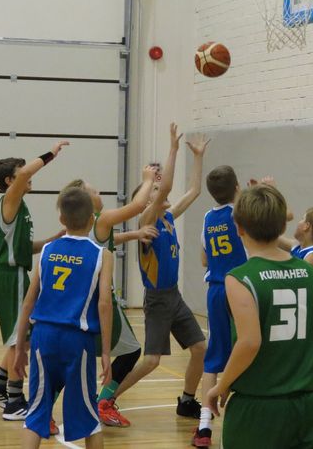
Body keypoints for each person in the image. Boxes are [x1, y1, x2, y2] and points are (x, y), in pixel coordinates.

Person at [207, 184, 313, 449]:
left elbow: (250, 342)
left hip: (257, 410)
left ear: (239, 228)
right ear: (283, 226)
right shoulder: (311, 274)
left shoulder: (240, 278)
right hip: (309, 407)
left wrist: (222, 385)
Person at [111, 123, 210, 419]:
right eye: (154, 189)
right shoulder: (147, 219)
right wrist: (173, 149)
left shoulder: (167, 217)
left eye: (159, 186)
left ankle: (187, 400)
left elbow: (194, 191)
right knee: (152, 360)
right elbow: (165, 188)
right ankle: (107, 399)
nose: (160, 189)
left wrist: (198, 157)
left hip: (174, 297)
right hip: (157, 299)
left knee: (200, 348)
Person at [13, 186, 113, 449]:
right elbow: (104, 304)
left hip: (42, 336)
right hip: (77, 340)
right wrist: (105, 352)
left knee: (35, 414)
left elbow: (29, 301)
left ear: (61, 219)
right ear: (92, 219)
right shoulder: (102, 255)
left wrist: (20, 346)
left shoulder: (47, 250)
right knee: (89, 417)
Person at [59, 166, 158, 428]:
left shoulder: (82, 226)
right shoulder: (100, 219)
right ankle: (103, 402)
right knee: (132, 351)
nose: (99, 194)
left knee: (71, 358)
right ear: (86, 200)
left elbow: (107, 239)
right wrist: (147, 180)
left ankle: (46, 410)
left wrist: (134, 234)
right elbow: (137, 206)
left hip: (75, 302)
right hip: (101, 300)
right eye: (95, 192)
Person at [0, 141, 69, 422]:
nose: (28, 175)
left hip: (12, 273)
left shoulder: (19, 206)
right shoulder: (11, 198)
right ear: (10, 180)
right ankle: (14, 401)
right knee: (20, 338)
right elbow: (27, 172)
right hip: (9, 275)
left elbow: (23, 247)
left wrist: (54, 239)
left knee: (20, 336)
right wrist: (51, 155)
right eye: (22, 172)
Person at [192, 165, 247, 447]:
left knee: (213, 357)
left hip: (216, 289)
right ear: (237, 188)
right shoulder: (241, 214)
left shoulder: (207, 218)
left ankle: (204, 426)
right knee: (250, 348)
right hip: (242, 287)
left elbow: (204, 259)